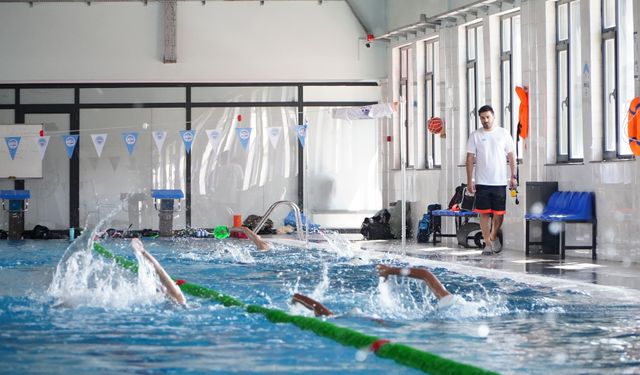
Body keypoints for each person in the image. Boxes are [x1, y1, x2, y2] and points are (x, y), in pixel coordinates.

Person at [290, 264, 454, 316]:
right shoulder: (450, 304)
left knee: (333, 318)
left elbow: (426, 274)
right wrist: (391, 270)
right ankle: (299, 298)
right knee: (333, 318)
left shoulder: (449, 302)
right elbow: (426, 274)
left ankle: (299, 297)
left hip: (384, 321)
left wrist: (390, 270)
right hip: (389, 321)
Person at [466, 105, 517, 255]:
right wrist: (470, 181)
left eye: (487, 117)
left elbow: (512, 156)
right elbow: (469, 158)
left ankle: (493, 236)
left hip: (500, 182)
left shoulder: (503, 133)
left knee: (499, 215)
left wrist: (514, 176)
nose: (485, 120)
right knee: (484, 214)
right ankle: (487, 243)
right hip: (482, 182)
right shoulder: (475, 135)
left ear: (493, 117)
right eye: (482, 118)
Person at [131, 238, 187, 306]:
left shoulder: (177, 297)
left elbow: (160, 271)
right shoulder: (176, 300)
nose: (160, 285)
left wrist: (143, 252)